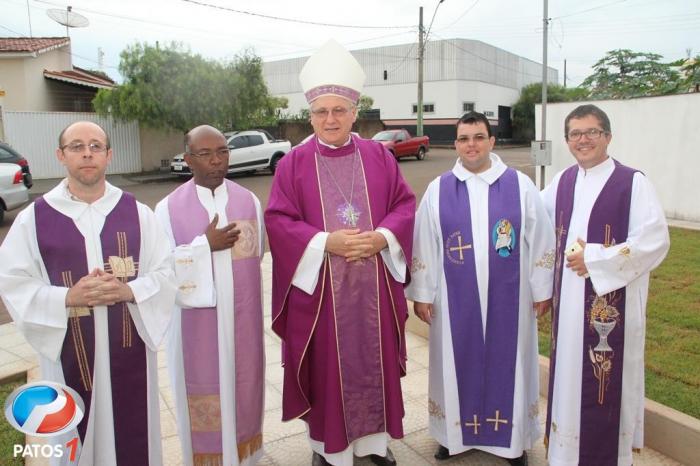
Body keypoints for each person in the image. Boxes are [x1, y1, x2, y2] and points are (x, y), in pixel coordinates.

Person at [264, 39, 416, 466]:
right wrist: (324, 242)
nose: (330, 119)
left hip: (374, 292)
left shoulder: (379, 156)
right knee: (328, 370)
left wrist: (383, 237)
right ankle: (326, 449)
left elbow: (405, 205)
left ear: (354, 112)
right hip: (323, 297)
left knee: (376, 365)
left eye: (339, 110)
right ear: (309, 115)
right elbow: (277, 219)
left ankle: (373, 444)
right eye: (321, 112)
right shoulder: (292, 163)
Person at [0, 121, 176, 465]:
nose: (87, 153)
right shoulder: (34, 219)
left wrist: (128, 291)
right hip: (69, 356)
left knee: (133, 438)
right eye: (76, 146)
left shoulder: (138, 214)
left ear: (108, 155)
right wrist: (68, 297)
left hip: (130, 352)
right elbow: (13, 281)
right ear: (60, 156)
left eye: (96, 146)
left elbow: (167, 272)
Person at [405, 111, 555, 466]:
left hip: (512, 300)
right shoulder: (439, 189)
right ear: (455, 144)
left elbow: (542, 239)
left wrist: (542, 287)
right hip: (455, 301)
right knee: (455, 363)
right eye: (463, 139)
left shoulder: (519, 185)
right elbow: (424, 242)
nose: (470, 145)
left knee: (511, 363)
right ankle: (452, 436)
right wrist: (422, 294)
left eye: (477, 137)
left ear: (491, 141)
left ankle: (512, 441)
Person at [541, 104, 670, 466]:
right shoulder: (563, 181)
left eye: (591, 132)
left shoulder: (632, 182)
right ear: (567, 141)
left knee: (601, 382)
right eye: (575, 134)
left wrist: (595, 259)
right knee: (567, 379)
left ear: (608, 137)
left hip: (609, 312)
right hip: (568, 311)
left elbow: (655, 240)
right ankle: (565, 456)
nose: (583, 140)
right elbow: (533, 219)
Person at [154, 125, 265, 466]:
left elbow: (256, 258)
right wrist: (205, 247)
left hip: (242, 320)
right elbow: (159, 272)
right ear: (187, 159)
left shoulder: (249, 201)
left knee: (244, 384)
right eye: (205, 154)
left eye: (222, 152)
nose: (216, 161)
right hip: (195, 329)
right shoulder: (167, 209)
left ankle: (245, 457)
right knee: (204, 387)